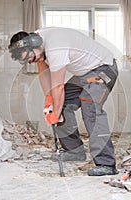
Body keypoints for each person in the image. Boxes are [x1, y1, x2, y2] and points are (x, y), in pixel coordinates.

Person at [8, 27, 119, 176]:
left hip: (104, 69)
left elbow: (58, 86)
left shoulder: (55, 46)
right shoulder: (39, 46)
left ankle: (107, 164)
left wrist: (56, 112)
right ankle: (74, 151)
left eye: (31, 57)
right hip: (85, 73)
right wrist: (50, 101)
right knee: (61, 102)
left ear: (34, 44)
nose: (32, 61)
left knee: (89, 105)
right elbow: (44, 73)